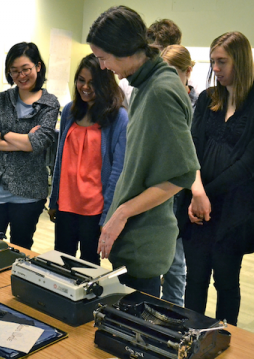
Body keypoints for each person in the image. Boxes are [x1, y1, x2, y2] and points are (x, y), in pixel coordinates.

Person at [87, 6, 199, 297]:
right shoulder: (144, 84)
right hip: (133, 240)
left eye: (103, 58)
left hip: (144, 242)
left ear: (122, 50)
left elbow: (182, 175)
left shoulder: (161, 90)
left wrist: (122, 213)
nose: (102, 67)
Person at [179, 32, 254, 326]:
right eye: (213, 62)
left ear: (241, 61)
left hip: (233, 212)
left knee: (226, 283)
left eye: (222, 61)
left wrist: (204, 194)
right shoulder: (209, 98)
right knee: (194, 281)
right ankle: (189, 337)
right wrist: (196, 192)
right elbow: (191, 148)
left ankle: (225, 340)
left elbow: (248, 164)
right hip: (196, 207)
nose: (216, 68)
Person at [0, 42, 59, 250]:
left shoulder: (49, 103)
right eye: (14, 71)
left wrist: (4, 134)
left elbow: (39, 142)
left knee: (19, 250)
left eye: (25, 69)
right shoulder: (3, 99)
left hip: (29, 192)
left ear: (38, 67)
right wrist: (23, 142)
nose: (21, 76)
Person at [48, 54, 128, 265]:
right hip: (66, 205)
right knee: (61, 264)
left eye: (93, 82)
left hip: (94, 209)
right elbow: (60, 160)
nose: (85, 87)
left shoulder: (118, 117)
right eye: (81, 80)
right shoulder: (69, 111)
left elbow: (117, 170)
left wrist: (107, 215)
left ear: (105, 84)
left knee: (88, 269)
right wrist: (54, 198)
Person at [158, 44, 198, 306]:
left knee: (175, 263)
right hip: (159, 189)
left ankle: (172, 312)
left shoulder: (199, 105)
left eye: (173, 74)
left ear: (188, 71)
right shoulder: (159, 99)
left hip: (182, 192)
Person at [120, 18, 182, 107]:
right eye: (155, 54)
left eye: (165, 56)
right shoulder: (127, 83)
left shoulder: (187, 82)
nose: (159, 61)